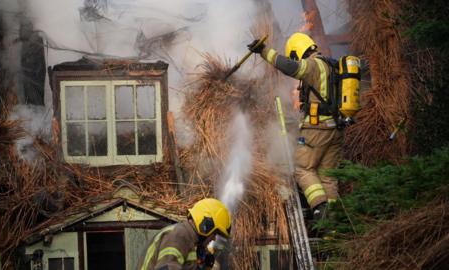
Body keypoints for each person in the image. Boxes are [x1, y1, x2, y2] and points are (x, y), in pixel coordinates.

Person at [248, 32, 343, 220]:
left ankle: (320, 211)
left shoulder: (313, 65)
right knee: (328, 177)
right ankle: (334, 225)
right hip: (336, 129)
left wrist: (264, 51)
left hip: (317, 129)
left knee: (303, 169)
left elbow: (290, 67)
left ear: (298, 51)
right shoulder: (332, 66)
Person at [137, 198, 231, 270]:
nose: (214, 238)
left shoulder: (192, 244)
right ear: (206, 225)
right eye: (215, 233)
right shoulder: (178, 236)